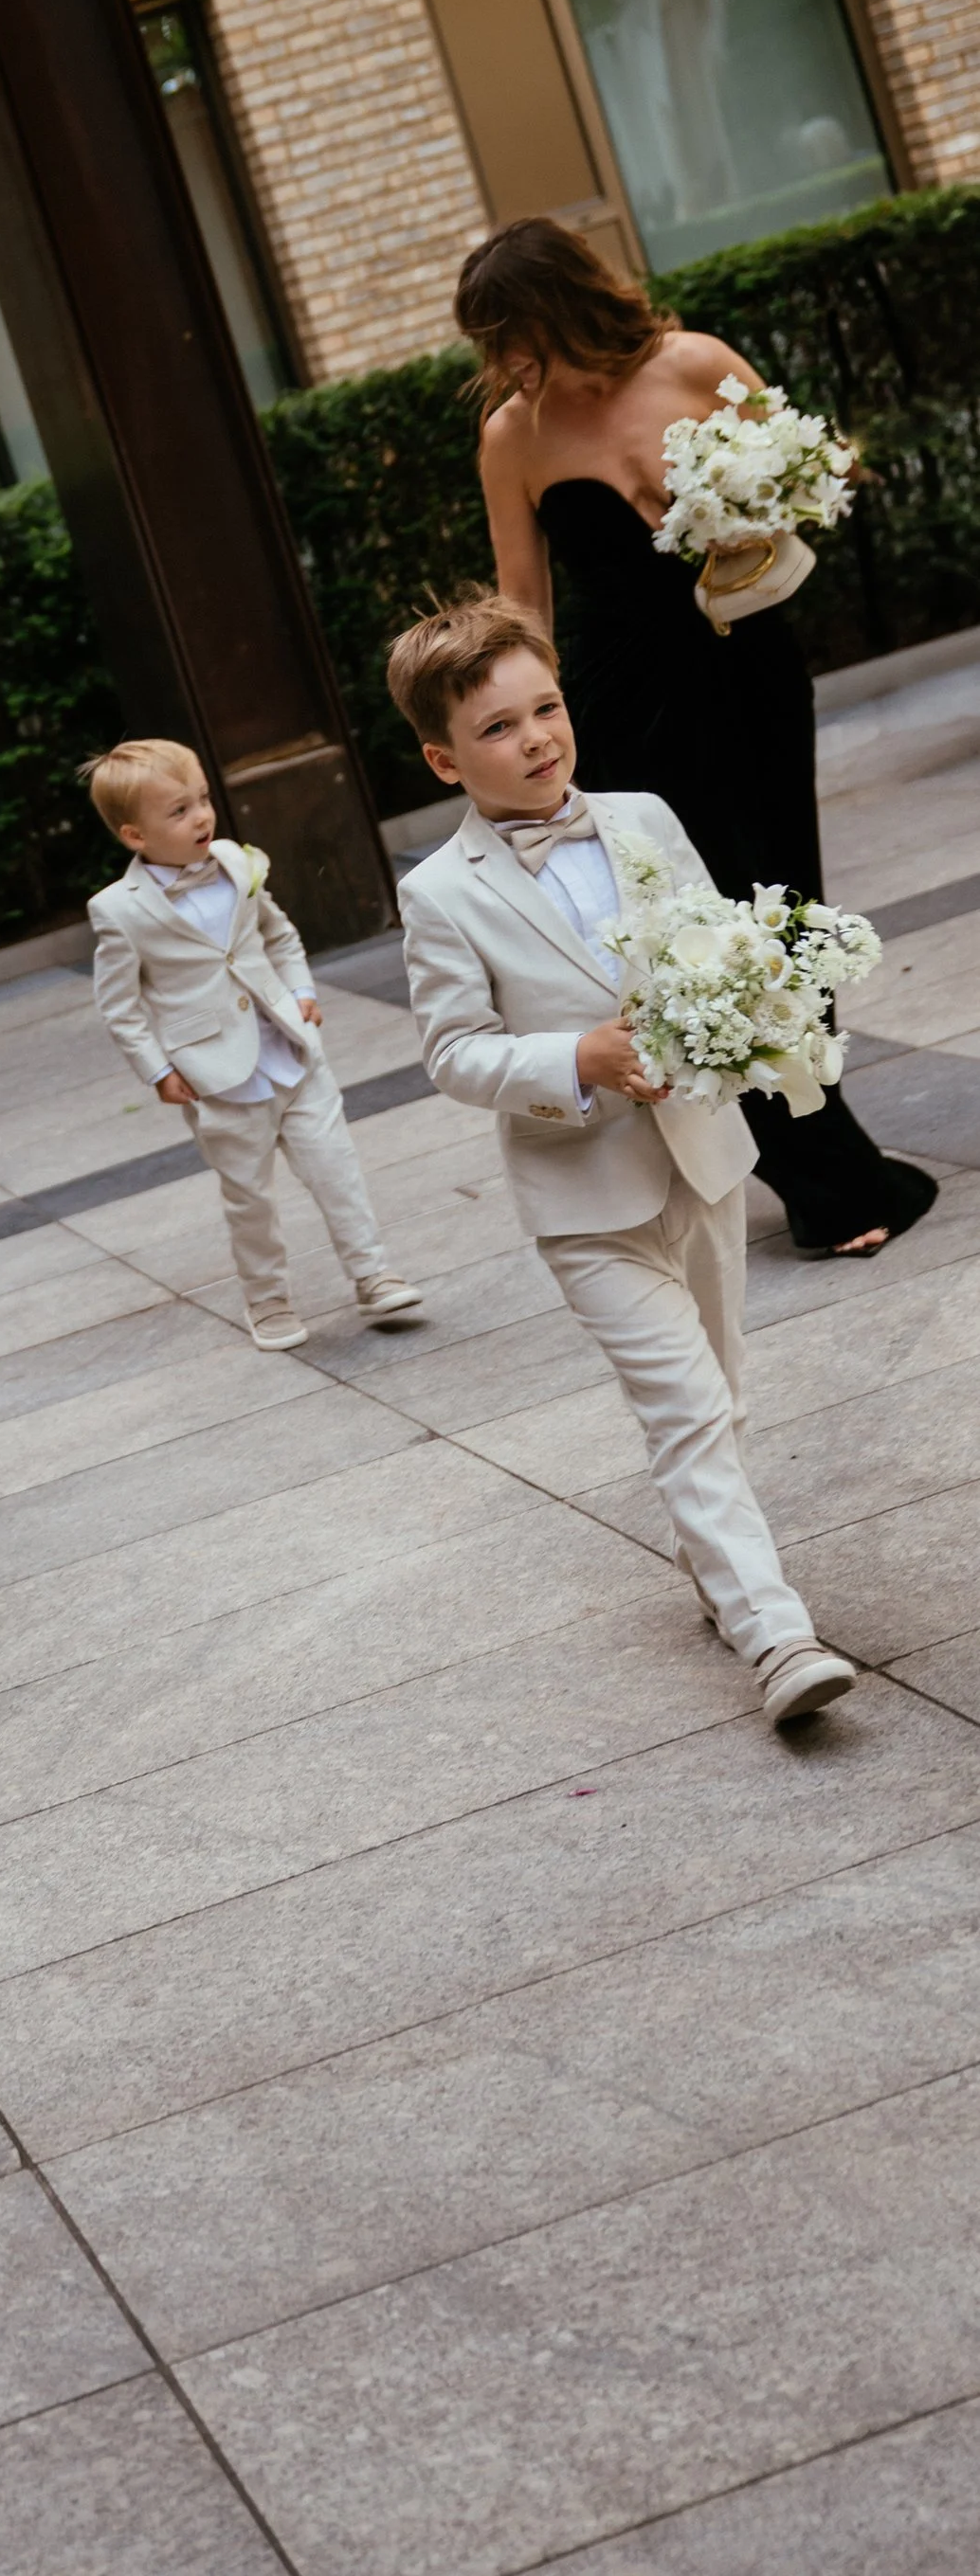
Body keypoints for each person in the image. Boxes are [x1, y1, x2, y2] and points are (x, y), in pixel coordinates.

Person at [390, 592, 855, 1729]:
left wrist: (749, 1012)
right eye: (498, 728)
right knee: (684, 1408)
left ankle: (716, 1563)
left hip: (701, 1154)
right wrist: (575, 1058)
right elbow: (453, 1052)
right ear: (444, 760)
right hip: (583, 1197)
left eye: (545, 708)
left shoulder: (643, 817)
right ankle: (777, 1636)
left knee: (724, 1394)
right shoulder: (439, 892)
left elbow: (714, 941)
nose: (535, 739)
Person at [462, 214, 932, 1258]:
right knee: (709, 921)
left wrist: (769, 498)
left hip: (750, 666)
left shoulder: (692, 362)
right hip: (628, 700)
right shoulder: (513, 436)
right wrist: (528, 727)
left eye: (513, 334)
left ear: (562, 305)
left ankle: (818, 1139)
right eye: (490, 344)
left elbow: (825, 471)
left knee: (788, 897)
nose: (503, 362)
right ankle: (829, 1180)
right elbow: (524, 599)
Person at [82, 736, 421, 1350]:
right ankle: (267, 1300)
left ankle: (374, 1274)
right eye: (179, 810)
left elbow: (279, 935)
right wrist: (157, 1070)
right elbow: (120, 1006)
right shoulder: (119, 911)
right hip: (217, 1076)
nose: (202, 816)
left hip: (289, 1048)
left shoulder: (237, 865)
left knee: (336, 1170)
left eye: (203, 799)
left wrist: (301, 990)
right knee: (249, 1199)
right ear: (135, 835)